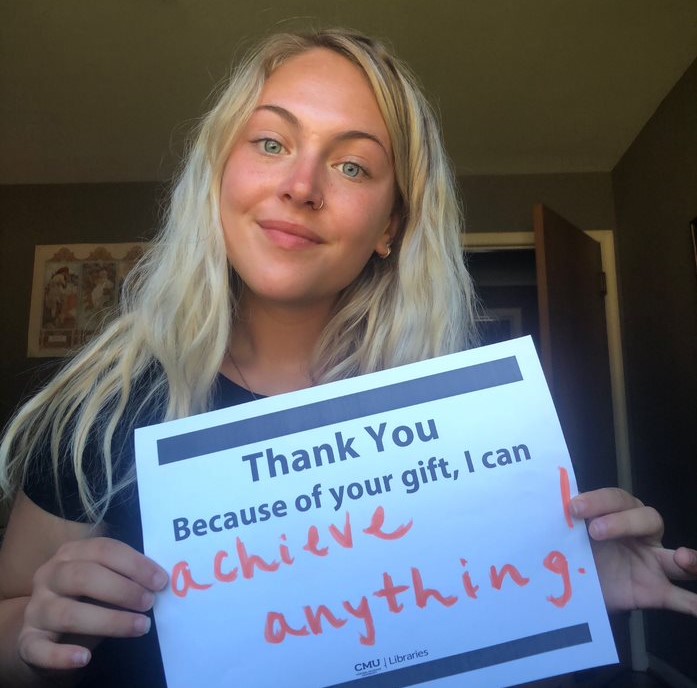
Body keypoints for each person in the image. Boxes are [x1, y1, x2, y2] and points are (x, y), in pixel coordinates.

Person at [0, 28, 695, 688]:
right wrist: (36, 630)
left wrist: (564, 594)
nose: (300, 186)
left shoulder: (475, 429)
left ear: (390, 225)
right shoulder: (101, 404)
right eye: (270, 142)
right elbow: (12, 617)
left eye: (352, 164)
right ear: (218, 175)